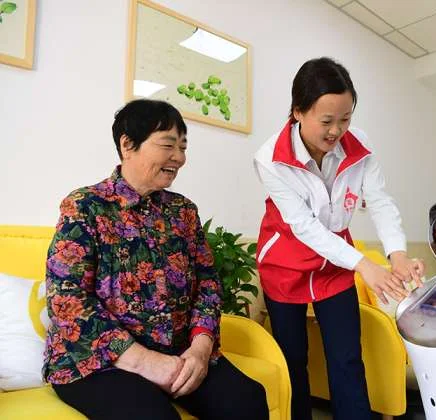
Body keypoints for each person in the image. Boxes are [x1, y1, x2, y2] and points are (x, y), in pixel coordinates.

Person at [43, 99, 268, 420]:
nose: (179, 157)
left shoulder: (183, 211)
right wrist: (144, 361)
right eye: (168, 145)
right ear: (127, 144)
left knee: (246, 400)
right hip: (96, 361)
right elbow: (67, 301)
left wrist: (200, 350)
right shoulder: (84, 206)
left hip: (178, 351)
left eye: (183, 146)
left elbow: (207, 284)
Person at [254, 57, 424, 420]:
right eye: (327, 121)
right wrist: (364, 264)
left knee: (347, 356)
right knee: (293, 359)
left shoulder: (358, 145)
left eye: (345, 119)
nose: (336, 131)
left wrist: (396, 255)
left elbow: (378, 199)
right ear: (298, 112)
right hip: (285, 263)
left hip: (335, 262)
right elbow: (304, 226)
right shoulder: (270, 159)